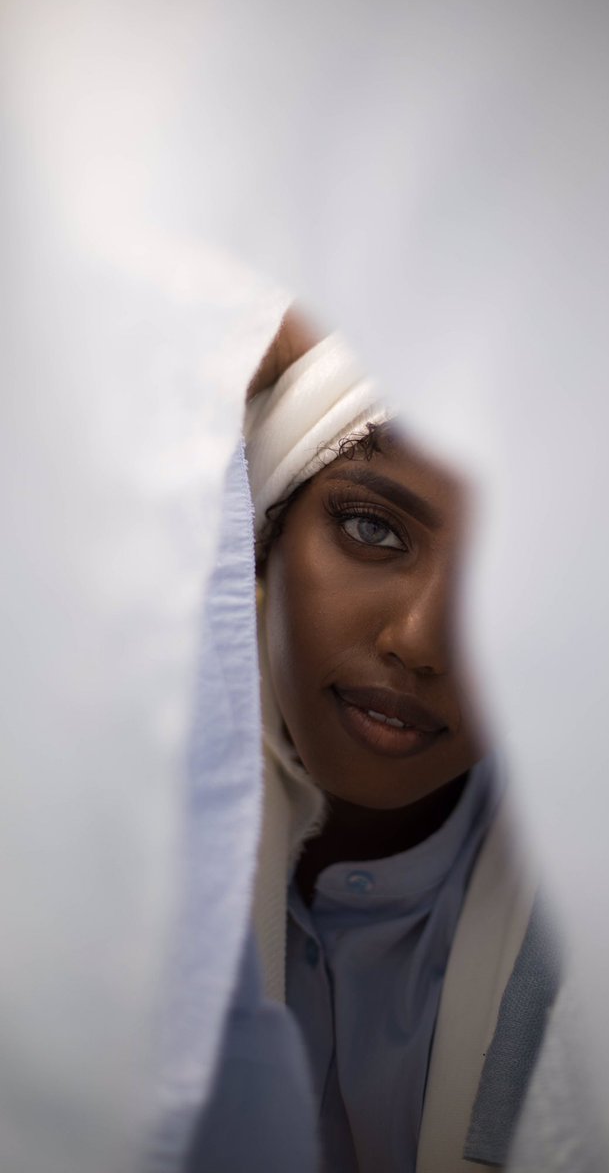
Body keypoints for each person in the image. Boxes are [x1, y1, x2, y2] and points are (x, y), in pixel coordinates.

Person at [187, 308, 568, 1173]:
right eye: (372, 529)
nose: (421, 642)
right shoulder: (105, 841)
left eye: (513, 578)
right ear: (263, 531)